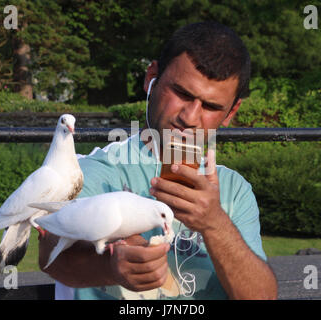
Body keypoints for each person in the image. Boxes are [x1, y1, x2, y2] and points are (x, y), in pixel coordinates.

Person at [38, 21, 278, 300]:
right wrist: (111, 266)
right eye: (182, 93)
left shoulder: (234, 189)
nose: (189, 117)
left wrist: (214, 223)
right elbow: (50, 258)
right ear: (151, 77)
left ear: (231, 112)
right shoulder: (90, 172)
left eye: (211, 106)